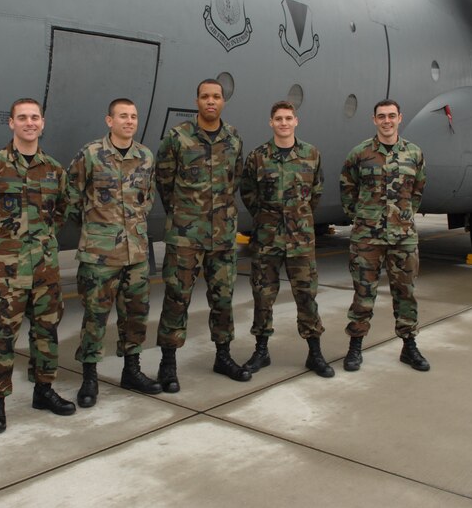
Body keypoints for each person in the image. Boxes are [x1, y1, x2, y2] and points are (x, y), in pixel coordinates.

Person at [0, 97, 76, 435]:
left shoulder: (53, 169)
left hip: (45, 271)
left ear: (42, 123)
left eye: (34, 117)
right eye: (22, 117)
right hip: (4, 273)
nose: (29, 123)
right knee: (0, 337)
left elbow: (63, 211)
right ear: (11, 123)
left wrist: (43, 241)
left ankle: (44, 391)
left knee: (46, 334)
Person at [154, 78, 252, 392]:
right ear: (196, 101)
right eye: (205, 96)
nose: (211, 101)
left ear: (223, 101)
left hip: (222, 235)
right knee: (176, 298)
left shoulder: (234, 137)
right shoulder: (177, 137)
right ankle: (168, 363)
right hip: (185, 235)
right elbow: (164, 181)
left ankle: (223, 356)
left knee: (223, 298)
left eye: (216, 97)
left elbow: (235, 178)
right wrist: (185, 213)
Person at [66, 98, 162, 408]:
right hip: (100, 256)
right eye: (123, 116)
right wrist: (99, 226)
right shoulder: (91, 154)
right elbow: (71, 198)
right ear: (110, 121)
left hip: (135, 254)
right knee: (95, 318)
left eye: (133, 116)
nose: (129, 121)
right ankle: (89, 379)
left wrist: (131, 224)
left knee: (135, 316)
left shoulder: (145, 156)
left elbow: (146, 199)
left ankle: (132, 371)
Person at [240, 101, 334, 378]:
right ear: (271, 122)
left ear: (296, 121)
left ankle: (315, 353)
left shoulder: (311, 154)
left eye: (288, 118)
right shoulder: (258, 156)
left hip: (301, 240)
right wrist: (267, 218)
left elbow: (315, 192)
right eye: (278, 118)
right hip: (267, 239)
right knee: (262, 295)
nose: (283, 123)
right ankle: (261, 351)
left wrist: (298, 216)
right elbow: (248, 192)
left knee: (306, 296)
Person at [339, 99, 430, 372]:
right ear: (374, 120)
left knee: (406, 293)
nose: (387, 121)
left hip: (403, 237)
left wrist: (403, 217)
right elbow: (347, 187)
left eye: (392, 116)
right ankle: (355, 346)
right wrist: (361, 216)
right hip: (367, 238)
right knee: (363, 294)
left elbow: (418, 191)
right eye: (382, 116)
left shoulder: (414, 153)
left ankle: (409, 346)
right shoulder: (360, 154)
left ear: (400, 118)